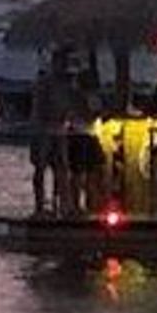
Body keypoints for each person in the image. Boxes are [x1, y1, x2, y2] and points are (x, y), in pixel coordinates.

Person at [29, 48, 75, 216]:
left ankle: (61, 204)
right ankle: (40, 205)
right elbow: (39, 107)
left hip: (59, 130)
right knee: (40, 167)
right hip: (43, 131)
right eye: (61, 62)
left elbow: (69, 105)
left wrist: (67, 118)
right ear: (54, 63)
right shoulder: (44, 82)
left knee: (61, 168)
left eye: (65, 63)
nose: (63, 66)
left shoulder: (65, 84)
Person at [66, 67, 108, 215]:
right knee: (80, 172)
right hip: (81, 135)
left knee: (93, 170)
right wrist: (98, 113)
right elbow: (90, 115)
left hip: (87, 134)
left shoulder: (79, 96)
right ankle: (77, 205)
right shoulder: (81, 97)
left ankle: (89, 202)